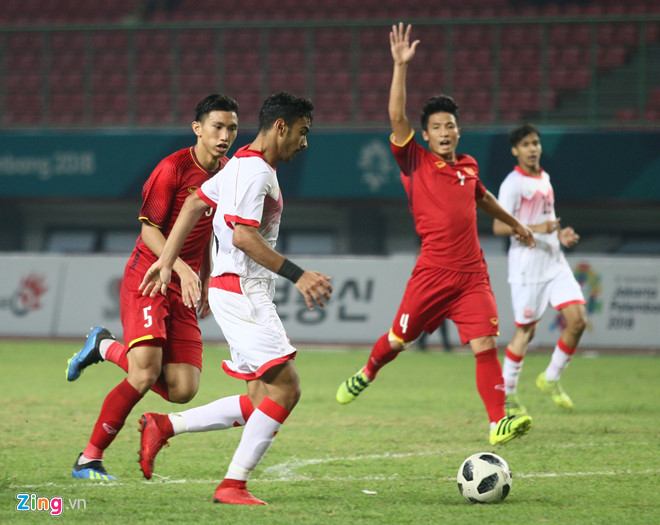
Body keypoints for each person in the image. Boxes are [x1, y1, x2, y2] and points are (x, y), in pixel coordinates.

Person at [335, 23, 536, 446]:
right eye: (438, 127)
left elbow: (484, 199)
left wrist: (517, 224)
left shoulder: (469, 166)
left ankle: (497, 422)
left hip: (472, 276)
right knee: (398, 340)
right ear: (425, 135)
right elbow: (396, 117)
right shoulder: (415, 161)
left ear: (458, 131)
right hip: (432, 274)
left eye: (451, 125)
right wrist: (400, 66)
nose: (445, 132)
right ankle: (368, 371)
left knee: (485, 343)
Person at [138, 92, 332, 505]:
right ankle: (232, 485)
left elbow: (195, 203)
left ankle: (165, 426)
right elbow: (243, 236)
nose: (304, 142)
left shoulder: (240, 163)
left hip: (235, 289)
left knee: (261, 399)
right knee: (287, 390)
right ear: (281, 127)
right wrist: (298, 275)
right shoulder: (255, 170)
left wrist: (168, 260)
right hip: (243, 291)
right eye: (302, 132)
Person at [66, 94, 240, 481]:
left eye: (231, 128)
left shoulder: (228, 174)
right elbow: (149, 231)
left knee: (183, 389)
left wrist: (206, 275)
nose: (225, 135)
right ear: (198, 129)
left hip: (185, 283)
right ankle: (89, 459)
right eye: (217, 126)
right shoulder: (171, 169)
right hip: (150, 277)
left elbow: (207, 227)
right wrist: (182, 268)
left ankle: (103, 346)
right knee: (144, 373)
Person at [493, 123, 587, 416]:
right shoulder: (512, 184)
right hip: (527, 268)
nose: (532, 149)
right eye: (526, 145)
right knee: (526, 332)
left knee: (578, 322)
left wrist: (560, 234)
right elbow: (498, 226)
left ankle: (551, 377)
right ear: (515, 150)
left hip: (554, 262)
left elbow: (549, 220)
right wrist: (537, 228)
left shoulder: (545, 178)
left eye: (535, 143)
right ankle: (508, 395)